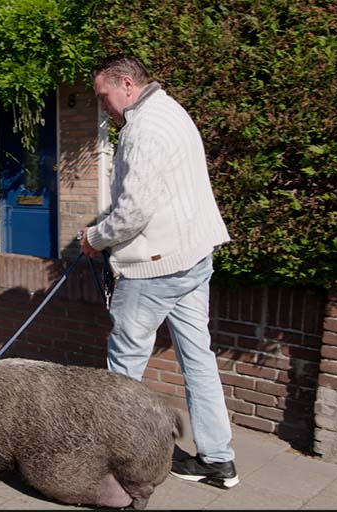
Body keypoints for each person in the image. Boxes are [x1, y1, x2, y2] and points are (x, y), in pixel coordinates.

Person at [80, 55, 238, 489]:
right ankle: (218, 461)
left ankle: (115, 463)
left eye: (104, 96)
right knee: (199, 359)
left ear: (126, 84)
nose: (104, 106)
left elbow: (132, 213)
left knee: (124, 367)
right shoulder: (171, 110)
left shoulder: (144, 129)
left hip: (155, 268)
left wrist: (94, 238)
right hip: (193, 258)